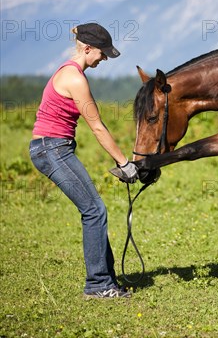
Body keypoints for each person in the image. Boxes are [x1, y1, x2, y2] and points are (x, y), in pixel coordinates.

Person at [29, 23, 138, 299]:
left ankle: (106, 280)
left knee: (95, 210)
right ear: (87, 49)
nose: (103, 59)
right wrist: (125, 163)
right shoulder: (75, 79)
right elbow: (98, 127)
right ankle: (98, 285)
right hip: (51, 149)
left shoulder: (68, 71)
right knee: (94, 211)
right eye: (102, 54)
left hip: (53, 147)